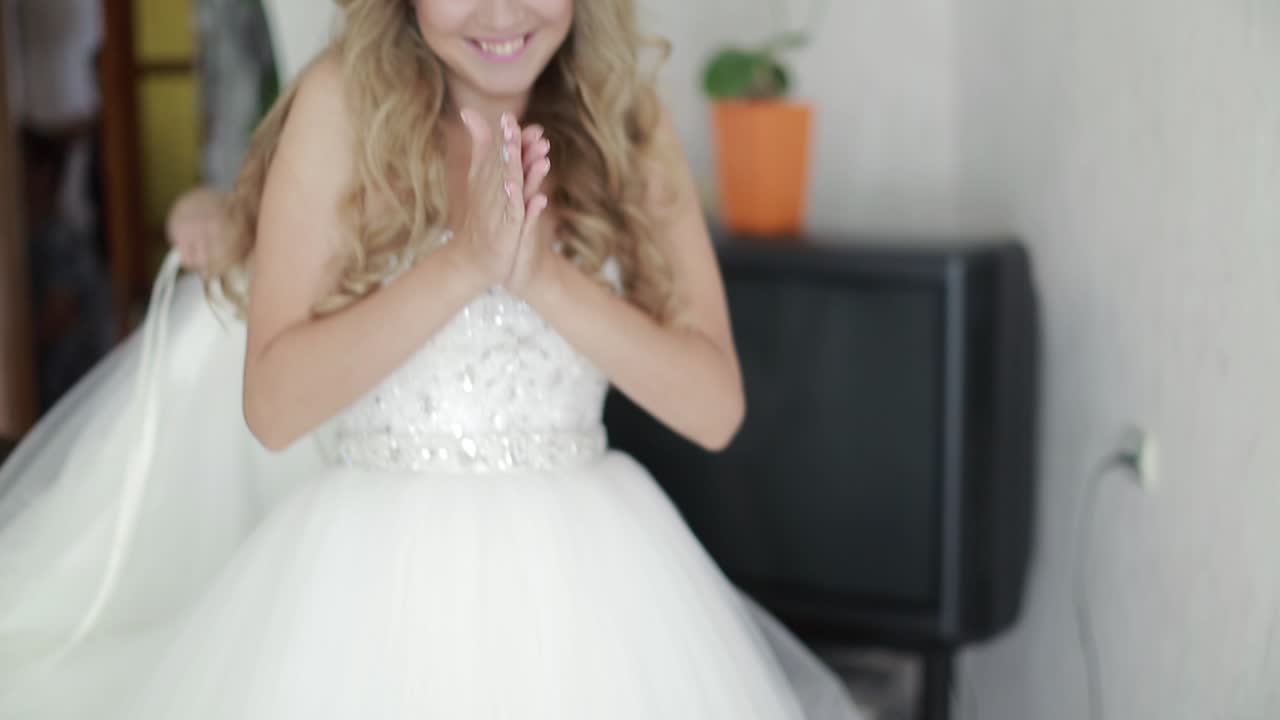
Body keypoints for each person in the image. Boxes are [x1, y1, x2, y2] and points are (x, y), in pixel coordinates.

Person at [0, 2, 866, 718]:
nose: (502, 14)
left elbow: (716, 409)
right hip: (374, 590)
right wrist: (464, 265)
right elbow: (274, 404)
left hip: (594, 593)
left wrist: (541, 280)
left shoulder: (626, 119)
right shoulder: (340, 106)